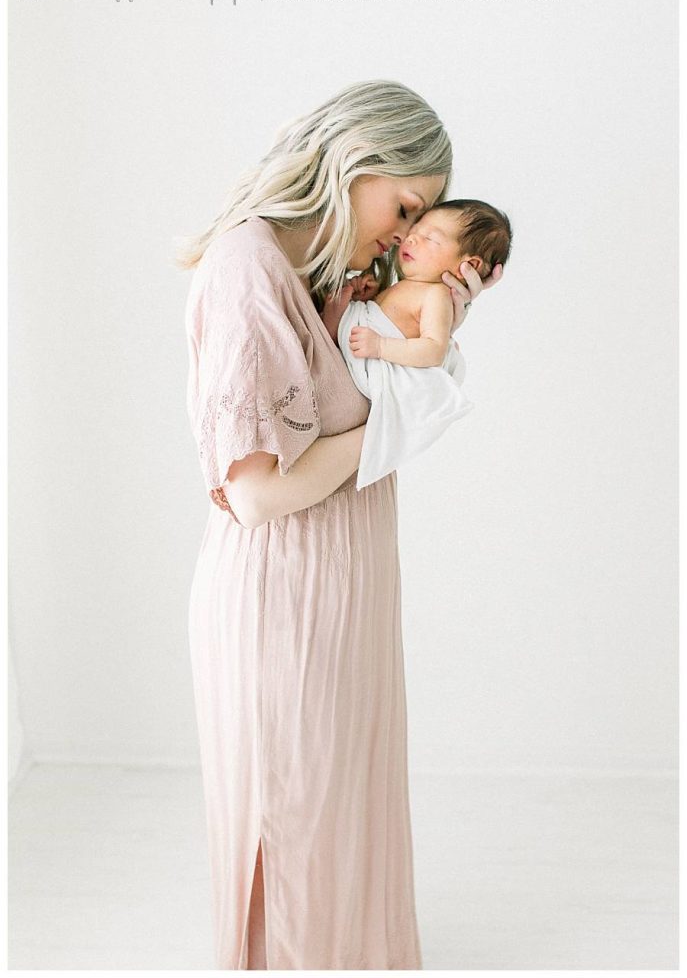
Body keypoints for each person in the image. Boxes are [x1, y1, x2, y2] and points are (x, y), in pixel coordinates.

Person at [177, 79, 504, 970]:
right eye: (406, 208)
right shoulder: (247, 266)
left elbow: (383, 375)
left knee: (340, 817)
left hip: (343, 581)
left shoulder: (325, 271)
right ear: (354, 159)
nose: (406, 236)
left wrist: (441, 307)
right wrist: (399, 421)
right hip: (281, 593)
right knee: (294, 838)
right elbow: (256, 495)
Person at [325, 199, 513, 488]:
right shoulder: (409, 285)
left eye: (430, 238)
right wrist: (369, 295)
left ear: (469, 265)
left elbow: (433, 349)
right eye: (416, 230)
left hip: (372, 360)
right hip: (357, 344)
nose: (411, 237)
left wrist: (381, 347)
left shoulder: (436, 296)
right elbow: (388, 315)